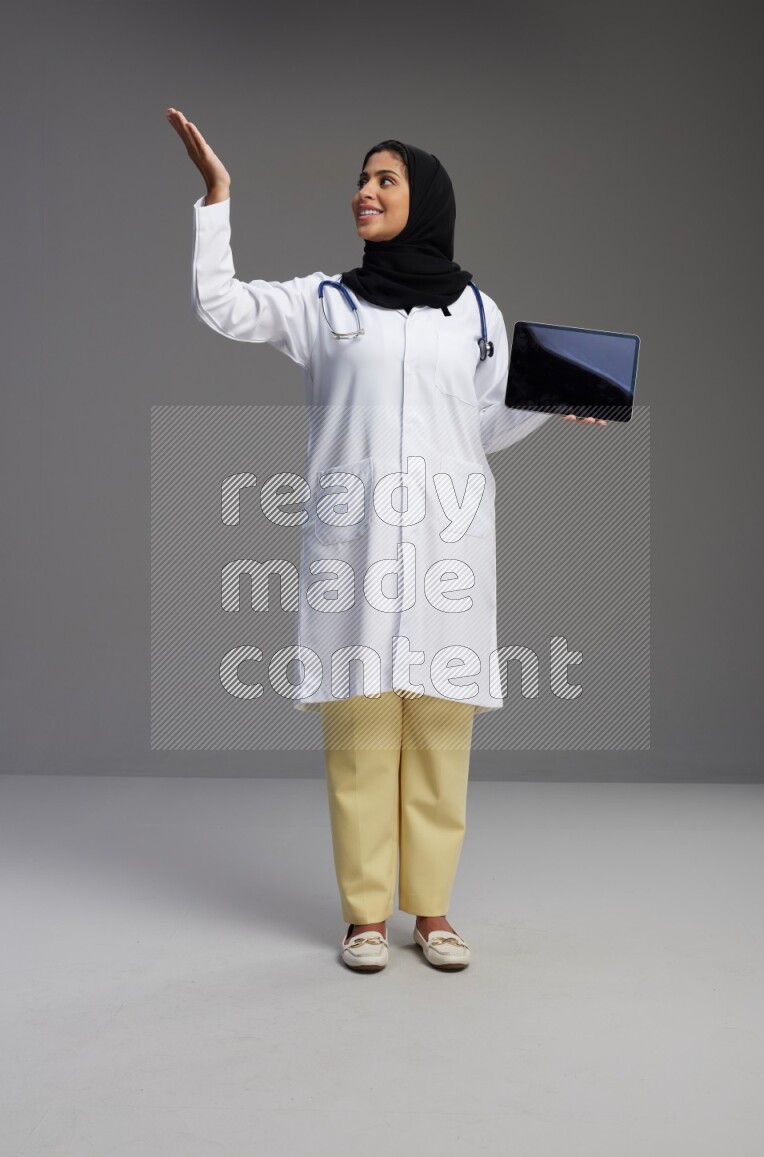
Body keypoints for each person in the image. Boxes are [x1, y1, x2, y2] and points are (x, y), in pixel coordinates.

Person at [166, 109, 607, 972]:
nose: (364, 192)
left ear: (425, 200)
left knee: (440, 740)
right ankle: (366, 915)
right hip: (354, 553)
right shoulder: (321, 303)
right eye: (362, 180)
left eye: (384, 180)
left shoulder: (477, 312)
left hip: (446, 551)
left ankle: (433, 913)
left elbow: (481, 424)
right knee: (363, 737)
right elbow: (220, 304)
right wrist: (216, 198)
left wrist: (553, 400)